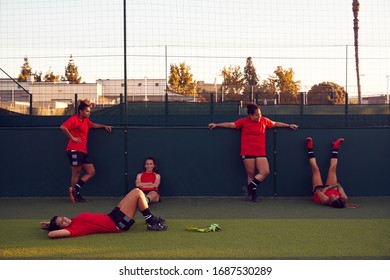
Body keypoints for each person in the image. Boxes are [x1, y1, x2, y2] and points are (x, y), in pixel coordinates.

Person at [208, 103, 298, 202]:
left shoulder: (264, 121)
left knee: (265, 171)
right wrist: (216, 125)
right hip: (247, 150)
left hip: (260, 151)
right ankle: (254, 196)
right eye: (256, 115)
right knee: (250, 174)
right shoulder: (243, 122)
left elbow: (275, 123)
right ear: (250, 115)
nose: (259, 117)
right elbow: (231, 125)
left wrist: (289, 125)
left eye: (260, 114)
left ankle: (248, 187)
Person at [40, 188, 167, 239]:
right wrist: (53, 229)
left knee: (134, 193)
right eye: (62, 222)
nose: (64, 219)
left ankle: (150, 216)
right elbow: (52, 234)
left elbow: (54, 226)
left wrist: (50, 223)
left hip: (111, 216)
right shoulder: (74, 228)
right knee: (137, 193)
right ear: (63, 228)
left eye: (62, 217)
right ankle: (151, 222)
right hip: (117, 224)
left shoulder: (73, 221)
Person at [60, 99, 112, 203]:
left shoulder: (86, 121)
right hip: (74, 149)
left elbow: (93, 125)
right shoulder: (74, 119)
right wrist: (73, 138)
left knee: (91, 172)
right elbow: (63, 127)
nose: (89, 113)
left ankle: (76, 189)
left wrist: (104, 126)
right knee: (76, 173)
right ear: (81, 111)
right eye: (87, 111)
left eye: (89, 111)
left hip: (83, 150)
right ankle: (75, 195)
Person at [306, 137, 358, 208]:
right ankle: (335, 147)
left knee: (315, 169)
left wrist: (328, 188)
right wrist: (329, 188)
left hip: (319, 189)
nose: (334, 195)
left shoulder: (325, 200)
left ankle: (309, 147)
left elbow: (318, 191)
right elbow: (338, 185)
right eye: (337, 196)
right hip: (328, 189)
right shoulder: (344, 197)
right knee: (333, 169)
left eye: (334, 197)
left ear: (331, 202)